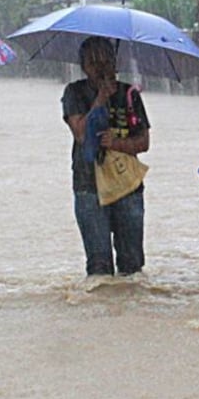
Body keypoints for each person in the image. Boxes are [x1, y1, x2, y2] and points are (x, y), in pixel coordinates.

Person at [61, 37, 151, 276]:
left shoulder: (129, 94)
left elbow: (144, 142)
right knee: (99, 265)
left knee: (132, 264)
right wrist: (100, 100)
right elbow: (81, 134)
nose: (100, 68)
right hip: (89, 186)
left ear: (115, 63)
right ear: (83, 66)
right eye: (93, 63)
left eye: (105, 61)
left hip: (127, 186)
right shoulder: (74, 92)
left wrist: (117, 143)